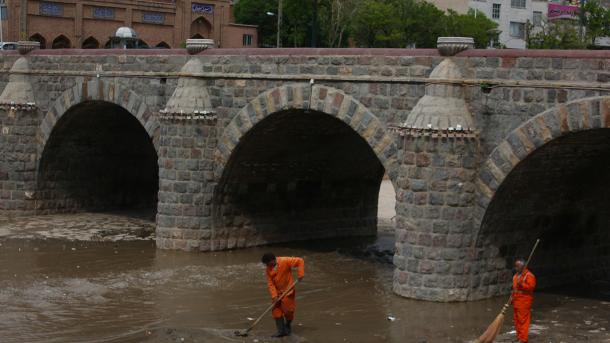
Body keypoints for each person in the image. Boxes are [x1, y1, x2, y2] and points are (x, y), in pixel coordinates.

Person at [261, 252, 304, 337]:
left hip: (288, 292)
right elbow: (270, 284)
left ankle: (287, 325)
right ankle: (281, 331)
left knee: (288, 312)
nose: (267, 266)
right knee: (275, 311)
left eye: (268, 264)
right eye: (266, 264)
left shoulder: (285, 261)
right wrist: (274, 296)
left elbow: (300, 261)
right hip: (277, 293)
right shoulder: (268, 269)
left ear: (273, 260)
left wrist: (301, 274)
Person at [512, 258, 536, 343]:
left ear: (523, 266)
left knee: (523, 321)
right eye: (515, 266)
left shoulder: (529, 275)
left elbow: (531, 287)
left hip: (524, 301)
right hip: (516, 301)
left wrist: (522, 284)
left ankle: (523, 339)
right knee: (517, 320)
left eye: (518, 266)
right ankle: (519, 336)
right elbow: (514, 289)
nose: (516, 268)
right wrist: (511, 298)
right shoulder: (515, 276)